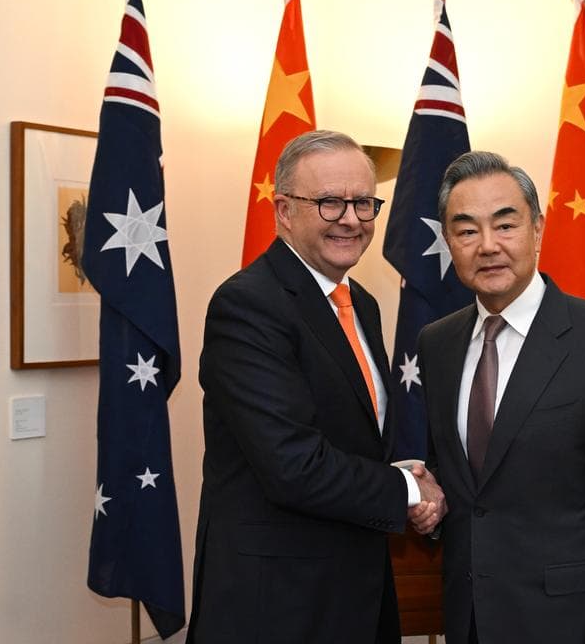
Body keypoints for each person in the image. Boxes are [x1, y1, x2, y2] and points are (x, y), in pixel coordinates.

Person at [187, 130, 446, 644]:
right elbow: (292, 465)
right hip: (277, 605)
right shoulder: (248, 305)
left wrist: (398, 471)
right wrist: (408, 489)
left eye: (364, 203)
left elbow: (349, 436)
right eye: (329, 202)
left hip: (356, 591)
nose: (351, 218)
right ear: (284, 210)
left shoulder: (361, 304)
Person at [418, 151, 585, 643]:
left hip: (567, 625)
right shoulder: (437, 343)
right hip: (467, 621)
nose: (487, 246)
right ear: (448, 242)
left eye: (505, 225)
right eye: (467, 230)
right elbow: (468, 486)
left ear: (538, 229)